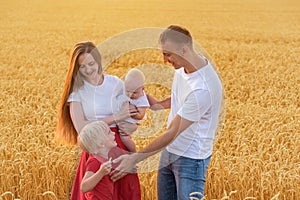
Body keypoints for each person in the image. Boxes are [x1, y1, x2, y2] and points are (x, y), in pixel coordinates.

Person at [112, 25, 223, 200]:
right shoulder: (184, 68)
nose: (165, 60)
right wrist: (155, 104)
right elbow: (183, 99)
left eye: (168, 54)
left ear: (184, 50)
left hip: (191, 160)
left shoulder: (203, 88)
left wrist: (133, 159)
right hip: (169, 153)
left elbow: (173, 131)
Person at [56, 41, 141, 200]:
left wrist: (131, 126)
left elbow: (133, 110)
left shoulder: (115, 83)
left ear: (98, 61)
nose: (88, 70)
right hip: (96, 149)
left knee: (123, 193)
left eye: (91, 64)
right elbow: (81, 128)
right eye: (82, 67)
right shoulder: (77, 92)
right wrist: (115, 117)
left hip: (118, 145)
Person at [114, 68, 150, 152]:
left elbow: (140, 115)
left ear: (142, 89)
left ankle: (133, 153)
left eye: (134, 92)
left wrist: (130, 112)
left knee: (125, 138)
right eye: (128, 91)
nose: (130, 95)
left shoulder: (142, 99)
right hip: (123, 117)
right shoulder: (126, 89)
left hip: (131, 121)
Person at [78, 121, 116, 200]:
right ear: (100, 143)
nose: (113, 133)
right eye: (109, 132)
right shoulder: (95, 162)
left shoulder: (105, 159)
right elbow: (84, 187)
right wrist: (100, 173)